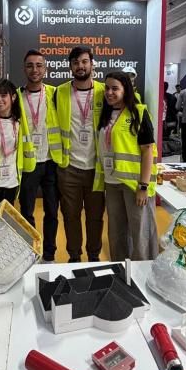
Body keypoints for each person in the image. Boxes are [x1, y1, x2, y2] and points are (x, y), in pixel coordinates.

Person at [95, 72, 158, 261]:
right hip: (112, 183)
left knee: (141, 234)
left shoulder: (138, 112)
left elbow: (147, 151)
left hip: (134, 185)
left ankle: (144, 273)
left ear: (126, 90)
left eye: (115, 88)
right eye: (107, 88)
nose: (109, 92)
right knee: (116, 232)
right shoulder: (105, 115)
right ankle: (120, 271)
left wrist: (143, 186)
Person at [55, 46, 105, 262]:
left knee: (95, 217)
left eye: (84, 61)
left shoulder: (105, 91)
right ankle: (74, 256)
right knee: (70, 216)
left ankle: (93, 256)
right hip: (70, 168)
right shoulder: (61, 92)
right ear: (70, 67)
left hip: (97, 168)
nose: (80, 66)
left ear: (92, 64)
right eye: (76, 63)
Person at [18, 50, 62, 261]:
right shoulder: (16, 96)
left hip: (52, 161)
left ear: (45, 68)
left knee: (52, 212)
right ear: (24, 68)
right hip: (29, 163)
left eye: (38, 65)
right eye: (30, 65)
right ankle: (30, 253)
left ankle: (49, 254)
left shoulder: (55, 93)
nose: (34, 70)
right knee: (26, 212)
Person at [0, 79, 35, 212]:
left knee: (3, 226)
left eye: (3, 96)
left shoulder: (19, 123)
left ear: (13, 97)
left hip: (11, 183)